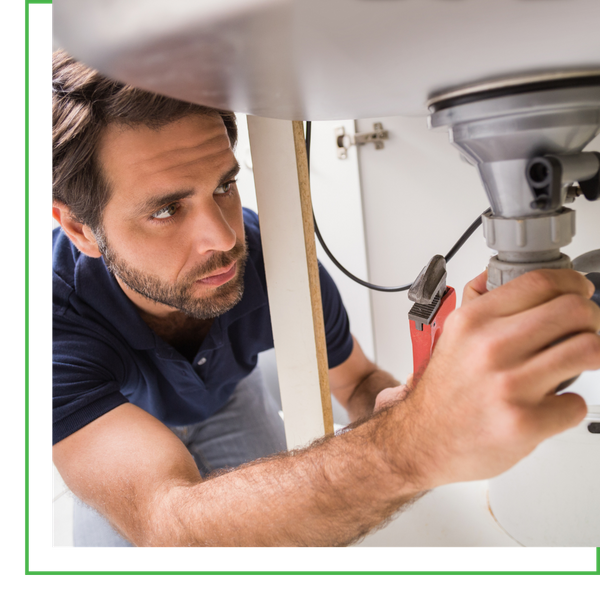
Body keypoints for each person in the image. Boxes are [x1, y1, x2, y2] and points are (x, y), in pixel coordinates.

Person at [49, 50, 600, 549]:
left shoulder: (273, 262)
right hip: (116, 414)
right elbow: (165, 521)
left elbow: (357, 381)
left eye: (222, 185)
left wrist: (407, 404)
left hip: (226, 396)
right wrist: (413, 444)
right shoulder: (50, 320)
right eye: (167, 209)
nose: (222, 239)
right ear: (78, 229)